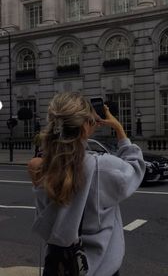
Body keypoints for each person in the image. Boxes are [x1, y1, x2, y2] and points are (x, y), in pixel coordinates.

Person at [28, 92, 145, 276]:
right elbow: (136, 168)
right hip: (100, 270)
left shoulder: (40, 167)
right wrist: (119, 129)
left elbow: (45, 224)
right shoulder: (102, 167)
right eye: (91, 121)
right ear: (85, 128)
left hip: (59, 268)